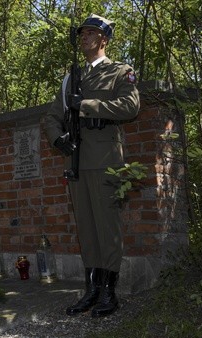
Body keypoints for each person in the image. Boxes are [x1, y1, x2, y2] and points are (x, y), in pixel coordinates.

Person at [42, 14, 140, 318]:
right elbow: (52, 116)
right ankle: (92, 290)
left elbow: (131, 105)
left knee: (106, 226)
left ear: (104, 39)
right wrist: (58, 139)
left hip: (105, 160)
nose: (84, 37)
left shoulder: (119, 72)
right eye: (82, 33)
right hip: (77, 162)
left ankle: (110, 292)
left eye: (91, 33)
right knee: (86, 227)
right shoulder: (72, 78)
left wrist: (85, 105)